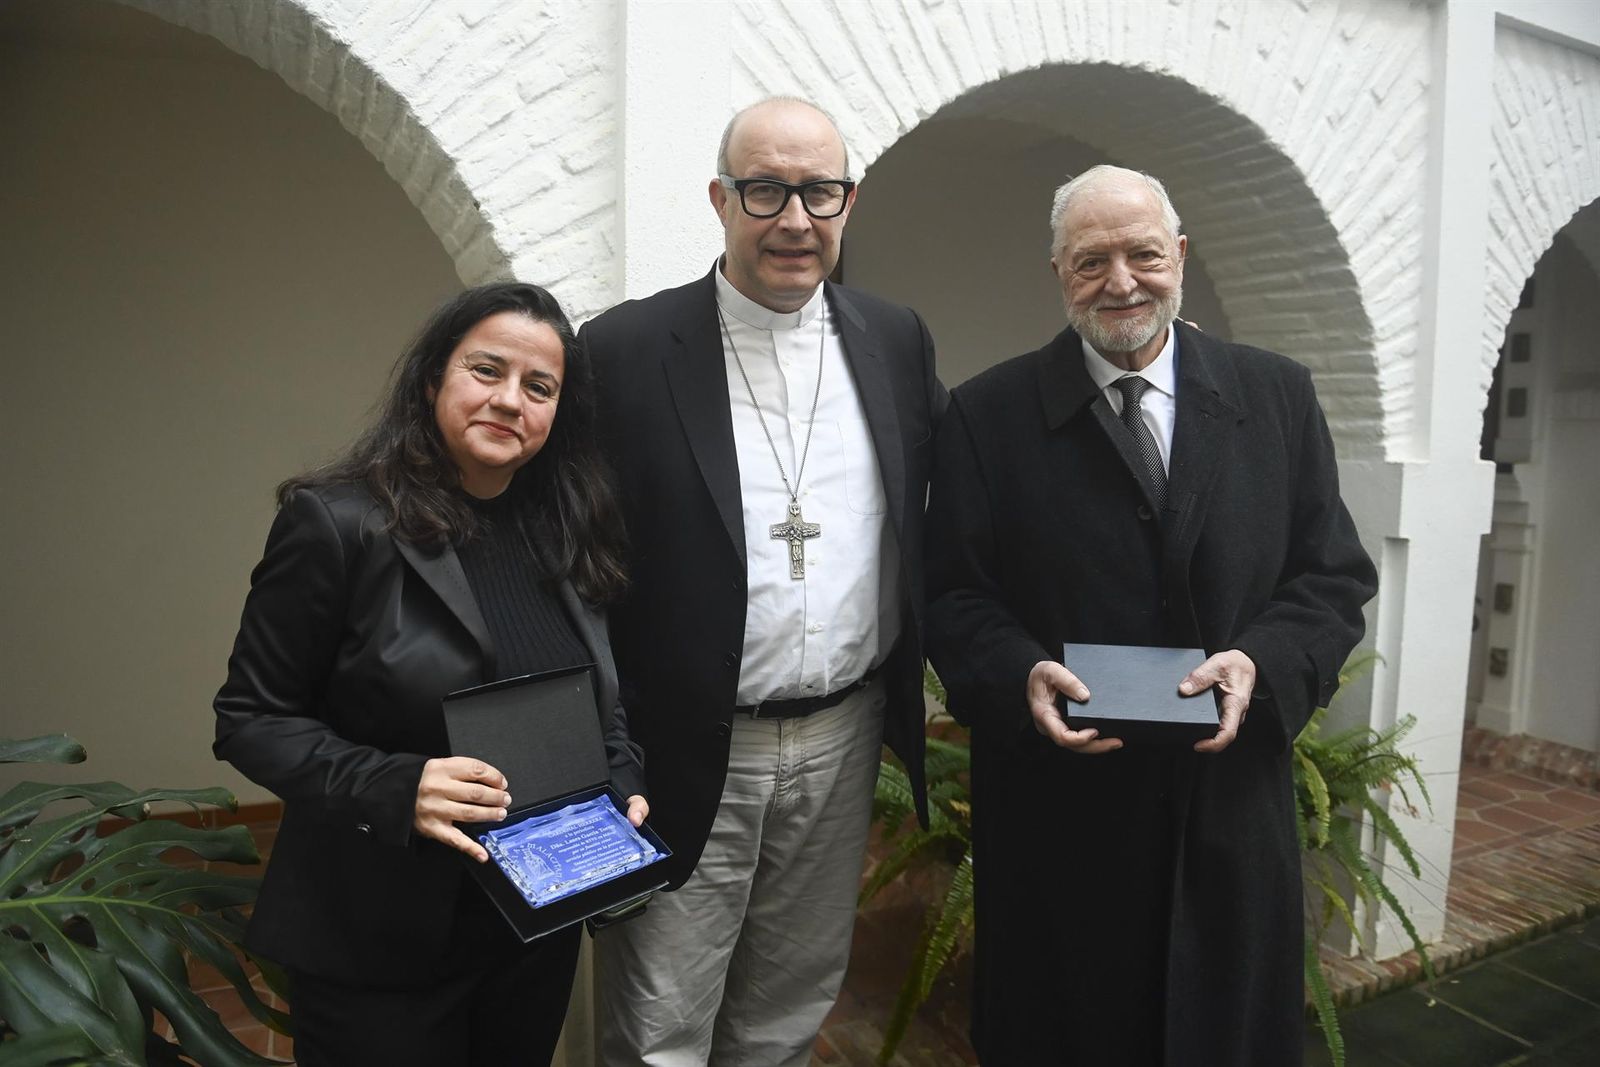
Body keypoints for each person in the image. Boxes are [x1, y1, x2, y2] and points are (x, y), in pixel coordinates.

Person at [923, 165, 1379, 1066]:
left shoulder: (1276, 396)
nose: (1121, 282)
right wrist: (1019, 673)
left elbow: (1331, 578)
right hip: (1059, 822)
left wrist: (1262, 662)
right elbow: (951, 592)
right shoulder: (986, 414)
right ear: (1059, 272)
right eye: (1092, 261)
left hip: (1228, 810)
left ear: (1179, 255)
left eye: (1142, 254)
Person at [581, 96, 945, 1065]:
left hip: (842, 732)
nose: (794, 217)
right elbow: (574, 562)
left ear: (849, 200)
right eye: (765, 189)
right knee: (660, 1020)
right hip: (686, 747)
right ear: (720, 198)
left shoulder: (896, 338)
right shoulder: (622, 351)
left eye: (818, 191)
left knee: (787, 1004)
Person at [213, 282, 647, 1067]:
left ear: (557, 414)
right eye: (486, 370)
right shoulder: (336, 522)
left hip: (528, 928)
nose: (510, 400)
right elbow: (250, 716)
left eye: (538, 387)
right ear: (432, 379)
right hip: (375, 934)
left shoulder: (567, 528)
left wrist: (619, 778)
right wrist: (396, 784)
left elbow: (599, 702)